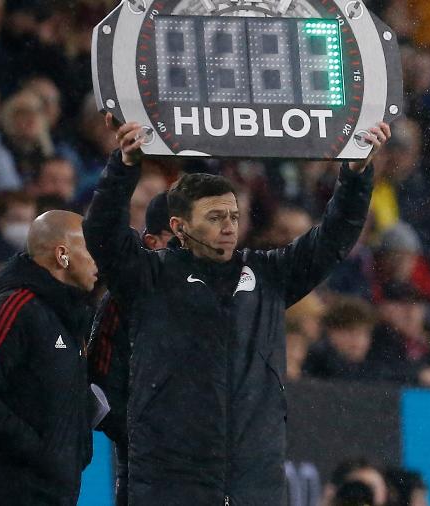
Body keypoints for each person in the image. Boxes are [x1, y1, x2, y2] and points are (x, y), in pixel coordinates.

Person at [83, 113, 389, 505]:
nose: (229, 226)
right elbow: (102, 234)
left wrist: (357, 175)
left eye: (233, 216)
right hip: (170, 478)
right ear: (178, 226)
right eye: (214, 218)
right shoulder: (148, 279)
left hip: (255, 479)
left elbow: (332, 240)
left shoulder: (269, 275)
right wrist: (124, 167)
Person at [0, 210, 100, 506]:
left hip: (53, 491)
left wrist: (76, 452)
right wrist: (38, 451)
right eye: (89, 249)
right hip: (7, 490)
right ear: (62, 255)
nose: (98, 261)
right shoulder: (17, 306)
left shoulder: (69, 316)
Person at [86, 191, 172, 506]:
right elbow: (99, 387)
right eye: (178, 241)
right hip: (147, 469)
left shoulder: (221, 298)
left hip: (209, 467)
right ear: (152, 242)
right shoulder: (124, 299)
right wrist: (144, 440)